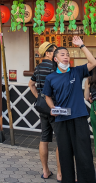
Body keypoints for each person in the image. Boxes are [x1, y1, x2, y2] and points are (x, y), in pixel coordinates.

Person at [42, 36, 96, 183]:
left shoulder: (76, 72)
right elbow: (47, 96)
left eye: (67, 54)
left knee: (84, 154)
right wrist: (52, 108)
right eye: (62, 54)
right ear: (55, 59)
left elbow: (93, 62)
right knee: (65, 154)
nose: (66, 57)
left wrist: (82, 46)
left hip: (79, 117)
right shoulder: (51, 78)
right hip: (61, 119)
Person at [28, 42, 61, 181]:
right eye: (55, 51)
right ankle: (60, 173)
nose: (57, 54)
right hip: (55, 108)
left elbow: (31, 84)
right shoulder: (55, 66)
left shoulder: (38, 67)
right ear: (48, 53)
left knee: (44, 138)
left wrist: (40, 98)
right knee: (61, 140)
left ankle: (46, 171)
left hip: (42, 108)